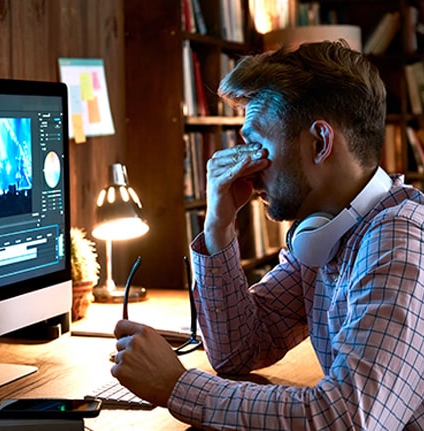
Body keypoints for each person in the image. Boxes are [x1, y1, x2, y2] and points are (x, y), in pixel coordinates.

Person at [110, 40, 424, 429]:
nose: (247, 166)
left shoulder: (399, 239)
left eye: (257, 145)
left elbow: (345, 419)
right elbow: (238, 351)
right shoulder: (324, 233)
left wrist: (176, 386)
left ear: (320, 142)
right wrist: (218, 226)